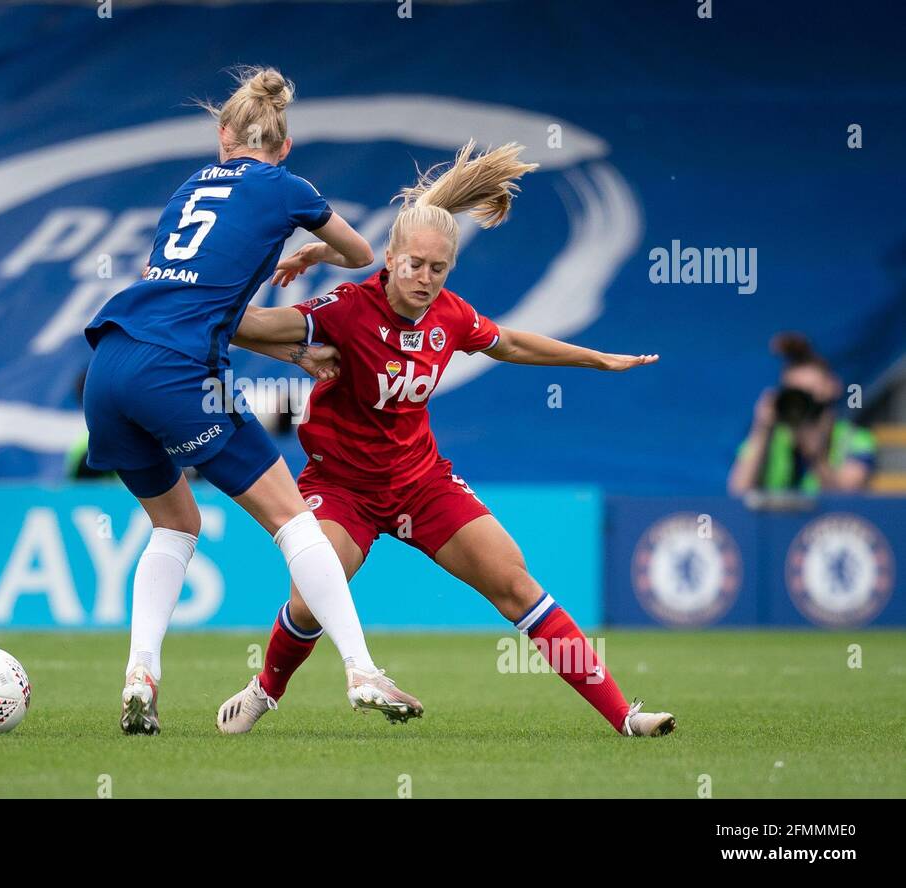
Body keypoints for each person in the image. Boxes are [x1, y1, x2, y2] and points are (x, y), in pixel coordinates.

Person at [217, 139, 676, 737]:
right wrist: (294, 322)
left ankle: (626, 717)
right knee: (310, 598)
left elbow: (510, 343)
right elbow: (240, 323)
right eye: (414, 265)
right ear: (389, 258)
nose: (425, 279)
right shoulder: (344, 308)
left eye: (438, 269)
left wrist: (593, 360)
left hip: (420, 484)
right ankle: (263, 691)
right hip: (342, 485)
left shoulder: (451, 317)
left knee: (516, 585)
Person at [82, 67, 421, 735]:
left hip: (110, 363)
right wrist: (312, 249)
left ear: (223, 136)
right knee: (294, 522)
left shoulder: (186, 191)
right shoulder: (285, 185)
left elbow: (197, 296)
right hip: (177, 372)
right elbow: (359, 255)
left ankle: (140, 676)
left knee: (175, 525)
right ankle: (361, 668)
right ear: (285, 145)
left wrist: (288, 348)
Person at [728, 333, 875, 495]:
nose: (804, 405)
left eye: (810, 395)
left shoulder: (854, 439)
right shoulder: (774, 438)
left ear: (833, 388)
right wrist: (761, 430)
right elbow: (738, 493)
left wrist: (816, 459)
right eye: (796, 395)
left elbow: (848, 504)